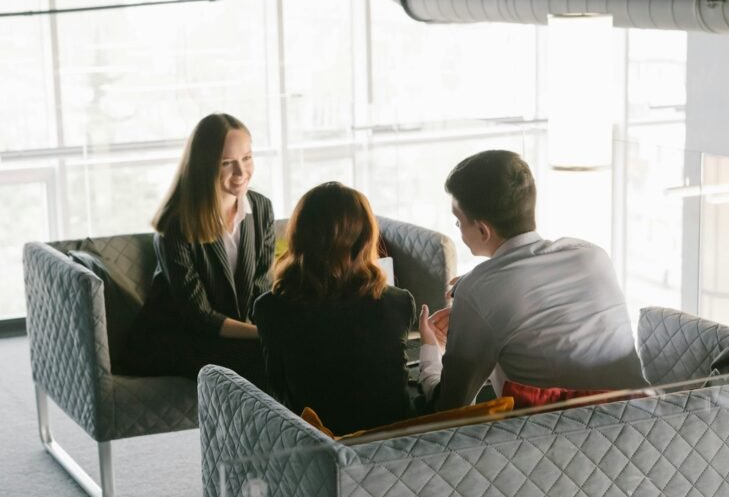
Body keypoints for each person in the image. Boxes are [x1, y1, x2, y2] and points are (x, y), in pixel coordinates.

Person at [418, 150, 646, 411]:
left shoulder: (478, 291)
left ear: (483, 230)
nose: (457, 229)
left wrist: (430, 351)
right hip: (645, 423)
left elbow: (451, 408)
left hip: (555, 442)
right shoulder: (593, 255)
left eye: (458, 220)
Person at [253, 182, 417, 435]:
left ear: (298, 237)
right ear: (366, 237)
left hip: (316, 443)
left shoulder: (269, 309)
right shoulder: (399, 302)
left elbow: (278, 393)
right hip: (391, 446)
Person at [126, 113, 275, 384]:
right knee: (264, 360)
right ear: (204, 166)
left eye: (247, 158)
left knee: (285, 352)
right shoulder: (176, 225)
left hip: (235, 332)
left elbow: (261, 288)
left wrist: (271, 329)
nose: (241, 172)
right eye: (227, 163)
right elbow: (199, 315)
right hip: (177, 337)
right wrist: (264, 335)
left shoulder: (261, 208)